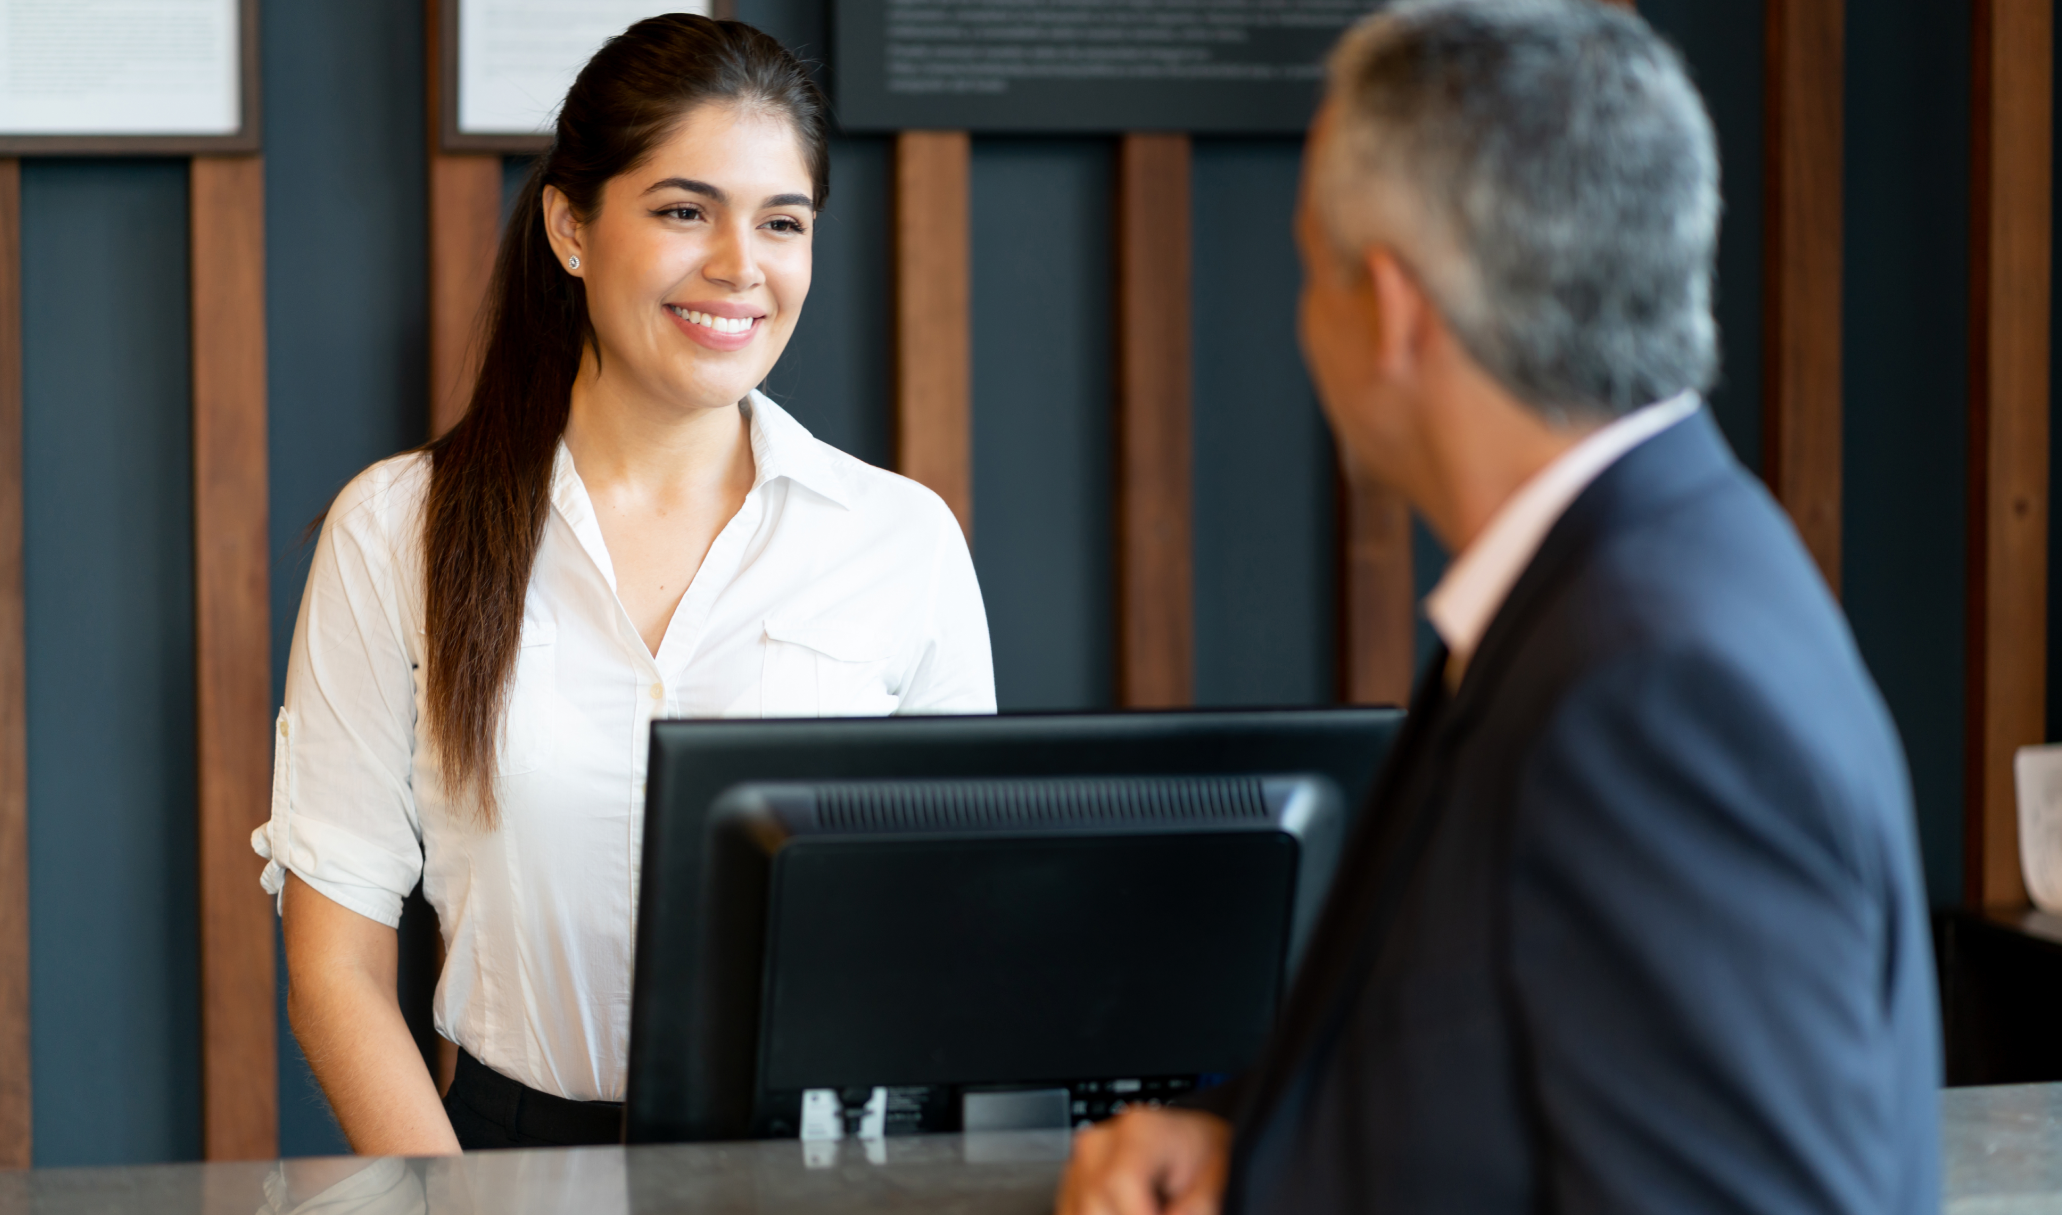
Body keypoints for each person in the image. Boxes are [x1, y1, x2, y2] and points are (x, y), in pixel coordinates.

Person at [1058, 2, 1938, 1212]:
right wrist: (1244, 1147)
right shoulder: (1626, 583)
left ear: (1395, 312)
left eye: (1311, 269)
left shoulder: (1655, 691)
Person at [253, 16, 994, 1155]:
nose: (741, 266)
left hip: (824, 1175)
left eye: (781, 222)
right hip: (503, 1164)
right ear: (571, 226)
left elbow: (950, 927)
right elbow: (336, 967)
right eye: (684, 210)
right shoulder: (397, 528)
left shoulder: (902, 540)